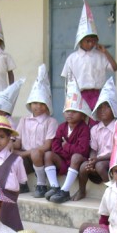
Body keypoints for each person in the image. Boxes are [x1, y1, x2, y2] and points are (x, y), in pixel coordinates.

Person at [60, 0, 117, 111]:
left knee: (95, 119)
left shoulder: (100, 56)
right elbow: (67, 82)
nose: (91, 44)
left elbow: (115, 68)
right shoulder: (72, 58)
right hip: (78, 95)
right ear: (80, 41)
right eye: (87, 41)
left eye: (93, 41)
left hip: (97, 95)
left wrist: (105, 52)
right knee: (81, 119)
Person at [42, 73, 92, 201]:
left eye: (74, 112)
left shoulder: (84, 129)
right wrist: (66, 150)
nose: (70, 114)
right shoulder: (61, 127)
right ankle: (55, 186)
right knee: (48, 155)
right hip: (63, 160)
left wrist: (66, 146)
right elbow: (55, 146)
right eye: (68, 111)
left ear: (82, 115)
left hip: (77, 162)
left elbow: (82, 150)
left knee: (76, 156)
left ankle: (65, 190)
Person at [71, 77, 117, 202]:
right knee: (84, 166)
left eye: (107, 107)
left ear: (113, 109)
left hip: (113, 160)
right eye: (100, 107)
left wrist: (97, 160)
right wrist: (92, 159)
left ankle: (112, 193)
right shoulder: (95, 129)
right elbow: (94, 149)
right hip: (98, 159)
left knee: (100, 166)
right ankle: (82, 190)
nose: (102, 110)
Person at [14, 64, 58, 197]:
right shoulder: (24, 120)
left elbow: (47, 145)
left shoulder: (51, 121)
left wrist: (25, 153)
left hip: (40, 156)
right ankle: (21, 183)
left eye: (41, 103)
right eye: (34, 103)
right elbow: (18, 141)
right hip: (26, 157)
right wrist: (10, 145)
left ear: (47, 106)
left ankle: (41, 183)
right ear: (30, 104)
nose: (37, 106)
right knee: (9, 154)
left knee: (36, 153)